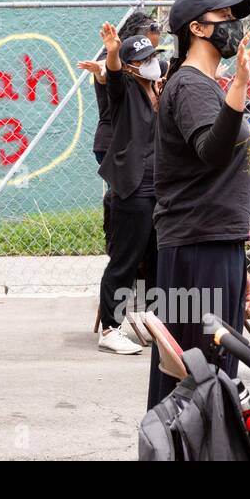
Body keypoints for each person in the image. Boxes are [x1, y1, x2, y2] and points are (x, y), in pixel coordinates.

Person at [148, 0, 250, 409]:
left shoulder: (203, 85)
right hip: (197, 246)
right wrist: (241, 88)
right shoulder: (193, 86)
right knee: (200, 369)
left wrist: (236, 249)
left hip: (213, 242)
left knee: (208, 368)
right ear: (196, 28)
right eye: (224, 16)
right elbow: (211, 152)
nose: (234, 24)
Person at [90, 24, 162, 355]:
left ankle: (156, 320)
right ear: (133, 66)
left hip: (158, 189)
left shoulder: (156, 90)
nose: (153, 62)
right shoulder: (126, 90)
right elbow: (112, 77)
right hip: (132, 188)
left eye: (154, 56)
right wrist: (114, 52)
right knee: (125, 261)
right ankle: (111, 328)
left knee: (155, 258)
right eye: (145, 58)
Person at [80, 11, 162, 264]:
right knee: (123, 202)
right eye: (153, 28)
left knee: (136, 207)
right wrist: (106, 66)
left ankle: (140, 268)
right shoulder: (119, 63)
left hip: (136, 144)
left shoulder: (147, 71)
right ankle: (122, 256)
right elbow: (111, 74)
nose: (152, 58)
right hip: (116, 141)